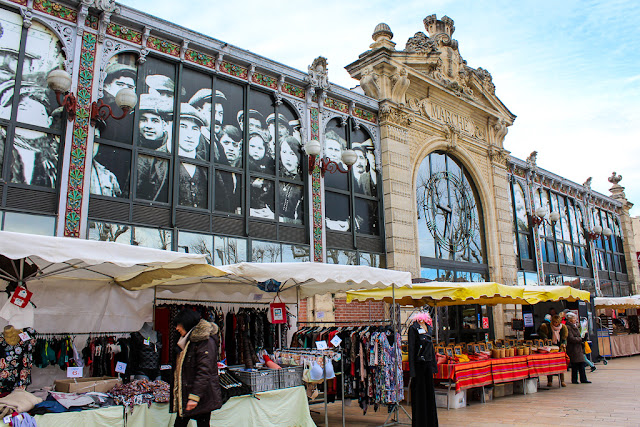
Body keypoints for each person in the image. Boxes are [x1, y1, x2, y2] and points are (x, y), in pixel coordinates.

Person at [171, 310, 222, 427]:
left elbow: (204, 371)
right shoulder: (187, 340)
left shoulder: (205, 341)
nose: (177, 328)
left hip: (201, 396)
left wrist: (194, 396)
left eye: (179, 324)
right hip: (190, 394)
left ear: (186, 323)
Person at [408, 311, 438, 426]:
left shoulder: (429, 327)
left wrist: (434, 366)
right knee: (419, 396)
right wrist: (412, 370)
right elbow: (411, 349)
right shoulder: (413, 329)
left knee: (429, 395)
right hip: (419, 365)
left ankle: (431, 422)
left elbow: (431, 348)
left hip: (428, 364)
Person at [177, 104, 208, 208]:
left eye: (195, 129)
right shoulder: (152, 161)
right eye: (183, 127)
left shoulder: (206, 166)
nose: (189, 135)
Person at [279, 137, 303, 223]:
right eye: (284, 152)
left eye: (292, 154)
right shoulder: (276, 174)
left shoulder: (302, 181)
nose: (287, 158)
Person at [566, 311, 591, 384]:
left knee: (581, 363)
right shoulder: (568, 327)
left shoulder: (575, 326)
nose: (576, 320)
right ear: (570, 319)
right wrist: (581, 339)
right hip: (573, 348)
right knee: (575, 364)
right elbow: (571, 338)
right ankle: (575, 379)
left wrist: (583, 337)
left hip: (578, 347)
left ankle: (583, 379)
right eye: (574, 319)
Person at [545, 315, 568, 387]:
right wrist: (545, 339)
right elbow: (543, 334)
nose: (555, 324)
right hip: (551, 346)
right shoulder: (548, 327)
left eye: (557, 322)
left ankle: (562, 381)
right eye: (554, 322)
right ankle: (549, 381)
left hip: (559, 347)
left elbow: (564, 338)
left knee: (560, 364)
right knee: (550, 364)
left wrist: (563, 344)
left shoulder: (563, 328)